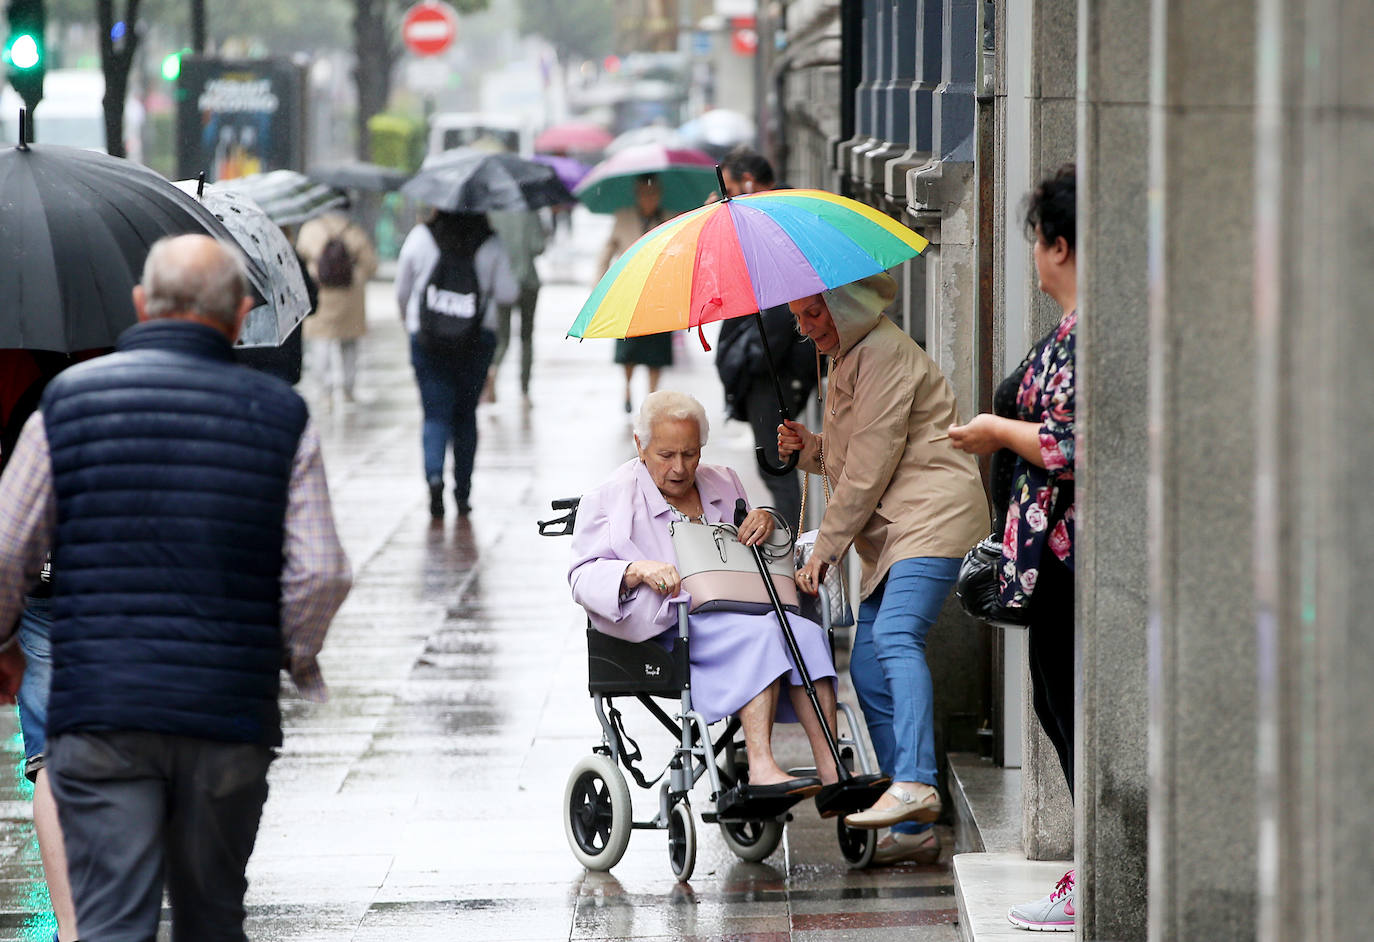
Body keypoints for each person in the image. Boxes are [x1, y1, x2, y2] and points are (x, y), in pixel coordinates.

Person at [0, 234, 353, 942]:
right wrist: (286, 654)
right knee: (212, 916)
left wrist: (4, 639)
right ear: (241, 312)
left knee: (111, 921)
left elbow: (9, 549)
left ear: (141, 304)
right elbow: (321, 570)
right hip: (226, 711)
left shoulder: (64, 406)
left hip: (101, 713)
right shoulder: (281, 415)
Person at [778, 273, 989, 865]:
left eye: (813, 313)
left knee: (895, 637)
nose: (804, 328)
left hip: (930, 521)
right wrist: (813, 449)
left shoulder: (884, 355)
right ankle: (916, 825)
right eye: (797, 317)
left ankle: (916, 782)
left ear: (842, 306)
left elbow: (869, 471)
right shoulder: (850, 356)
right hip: (897, 532)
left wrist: (824, 551)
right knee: (869, 671)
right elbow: (855, 459)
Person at [569, 390, 839, 795]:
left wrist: (764, 520)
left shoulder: (723, 480)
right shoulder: (610, 498)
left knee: (808, 635)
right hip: (671, 626)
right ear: (640, 444)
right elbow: (581, 576)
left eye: (690, 454)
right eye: (666, 455)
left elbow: (747, 548)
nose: (680, 468)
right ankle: (762, 766)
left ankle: (833, 771)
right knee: (764, 634)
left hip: (740, 611)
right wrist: (634, 570)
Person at [948, 164, 1078, 931]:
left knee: (1069, 711)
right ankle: (1087, 872)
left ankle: (1093, 875)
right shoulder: (1067, 330)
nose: (1032, 256)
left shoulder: (1091, 333)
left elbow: (1071, 445)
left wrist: (997, 432)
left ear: (1058, 247)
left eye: (1036, 242)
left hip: (1069, 556)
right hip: (1046, 560)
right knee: (1058, 709)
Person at [711, 147, 816, 532]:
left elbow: (778, 311)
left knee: (779, 467)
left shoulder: (776, 221)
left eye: (733, 189)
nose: (729, 199)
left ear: (750, 183)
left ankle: (791, 549)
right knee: (778, 465)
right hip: (774, 366)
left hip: (776, 371)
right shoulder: (767, 218)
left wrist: (752, 359)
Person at [396, 210, 519, 519]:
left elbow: (402, 290)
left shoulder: (421, 237)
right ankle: (462, 493)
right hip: (476, 341)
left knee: (435, 414)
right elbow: (508, 293)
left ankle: (434, 476)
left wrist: (410, 321)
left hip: (427, 339)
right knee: (465, 416)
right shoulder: (490, 243)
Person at [599, 175, 673, 413]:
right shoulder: (623, 217)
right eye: (643, 193)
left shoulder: (669, 218)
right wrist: (601, 288)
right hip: (628, 294)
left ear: (660, 194)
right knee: (628, 348)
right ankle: (628, 388)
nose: (648, 198)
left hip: (659, 295)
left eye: (652, 194)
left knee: (656, 351)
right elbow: (606, 251)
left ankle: (651, 395)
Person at [297, 208, 379, 403]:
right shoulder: (355, 230)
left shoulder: (311, 229)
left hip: (321, 294)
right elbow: (371, 265)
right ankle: (348, 390)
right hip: (350, 297)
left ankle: (325, 391)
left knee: (320, 343)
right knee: (349, 344)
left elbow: (299, 258)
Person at [486, 209, 547, 402]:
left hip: (502, 282)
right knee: (526, 337)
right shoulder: (530, 210)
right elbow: (538, 246)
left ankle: (493, 369)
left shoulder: (494, 212)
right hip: (528, 281)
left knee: (502, 338)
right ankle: (524, 387)